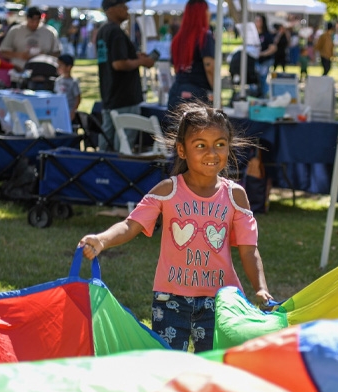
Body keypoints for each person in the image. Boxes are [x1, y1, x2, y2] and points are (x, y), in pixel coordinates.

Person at [78, 102, 273, 352]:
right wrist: (102, 239)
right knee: (169, 367)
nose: (212, 153)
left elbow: (249, 250)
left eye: (220, 144)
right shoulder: (168, 191)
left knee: (211, 369)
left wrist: (261, 288)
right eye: (200, 145)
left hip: (221, 300)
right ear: (182, 150)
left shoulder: (236, 196)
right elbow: (130, 225)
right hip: (170, 300)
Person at [96, 0, 155, 151]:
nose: (127, 9)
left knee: (107, 137)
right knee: (124, 141)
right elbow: (118, 63)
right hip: (124, 96)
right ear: (111, 10)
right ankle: (118, 168)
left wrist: (134, 56)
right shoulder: (116, 32)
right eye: (122, 6)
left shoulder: (104, 30)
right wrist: (141, 61)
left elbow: (113, 58)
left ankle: (102, 167)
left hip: (110, 93)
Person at [167, 0, 214, 111]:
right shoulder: (205, 36)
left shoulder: (178, 39)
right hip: (197, 95)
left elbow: (176, 67)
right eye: (207, 10)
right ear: (202, 14)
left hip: (177, 91)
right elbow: (210, 67)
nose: (209, 14)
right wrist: (217, 92)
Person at [0, 6, 61, 71]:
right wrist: (19, 55)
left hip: (44, 71)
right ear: (27, 18)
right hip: (19, 71)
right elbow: (3, 52)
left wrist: (44, 56)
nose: (34, 24)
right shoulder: (15, 30)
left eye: (37, 21)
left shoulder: (50, 32)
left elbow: (57, 52)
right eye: (32, 21)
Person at [54, 53, 80, 122]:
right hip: (59, 110)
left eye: (60, 65)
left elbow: (78, 98)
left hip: (69, 110)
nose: (58, 68)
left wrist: (73, 111)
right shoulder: (58, 81)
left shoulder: (73, 82)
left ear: (69, 67)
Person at [254, 14, 275, 91]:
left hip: (265, 60)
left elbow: (273, 48)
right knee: (256, 79)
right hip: (256, 60)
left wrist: (262, 54)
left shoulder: (267, 35)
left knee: (263, 79)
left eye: (259, 21)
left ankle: (265, 94)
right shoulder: (254, 35)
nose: (257, 23)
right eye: (256, 21)